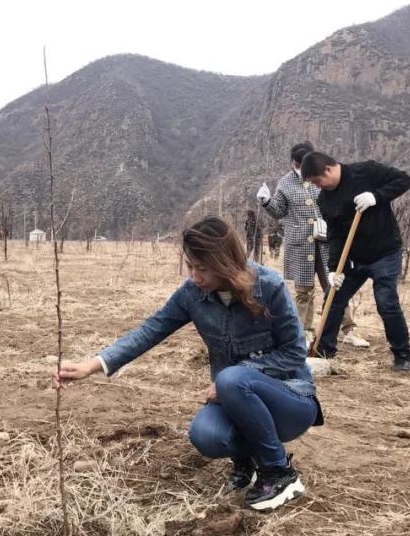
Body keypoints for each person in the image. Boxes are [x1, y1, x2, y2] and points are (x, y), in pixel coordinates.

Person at [56, 217, 324, 511]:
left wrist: (241, 374)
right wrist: (91, 366)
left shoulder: (269, 287)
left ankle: (279, 473)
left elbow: (295, 352)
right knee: (206, 436)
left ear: (226, 263)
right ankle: (246, 463)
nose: (195, 276)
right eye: (190, 266)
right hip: (234, 397)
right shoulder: (192, 295)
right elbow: (149, 331)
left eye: (203, 268)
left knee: (232, 378)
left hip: (291, 400)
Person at [299, 151, 410, 371]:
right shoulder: (324, 199)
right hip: (353, 259)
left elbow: (405, 180)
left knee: (386, 302)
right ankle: (323, 350)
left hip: (384, 252)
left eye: (317, 181)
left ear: (329, 169)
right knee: (333, 299)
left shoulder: (365, 172)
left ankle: (402, 355)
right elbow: (334, 235)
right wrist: (333, 270)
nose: (317, 186)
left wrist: (377, 196)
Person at [257, 141, 368, 347]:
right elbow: (279, 210)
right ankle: (304, 333)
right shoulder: (286, 183)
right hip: (300, 244)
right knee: (303, 291)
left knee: (335, 287)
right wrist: (266, 202)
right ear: (293, 164)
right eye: (297, 165)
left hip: (327, 243)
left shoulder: (325, 179)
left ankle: (348, 330)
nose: (300, 169)